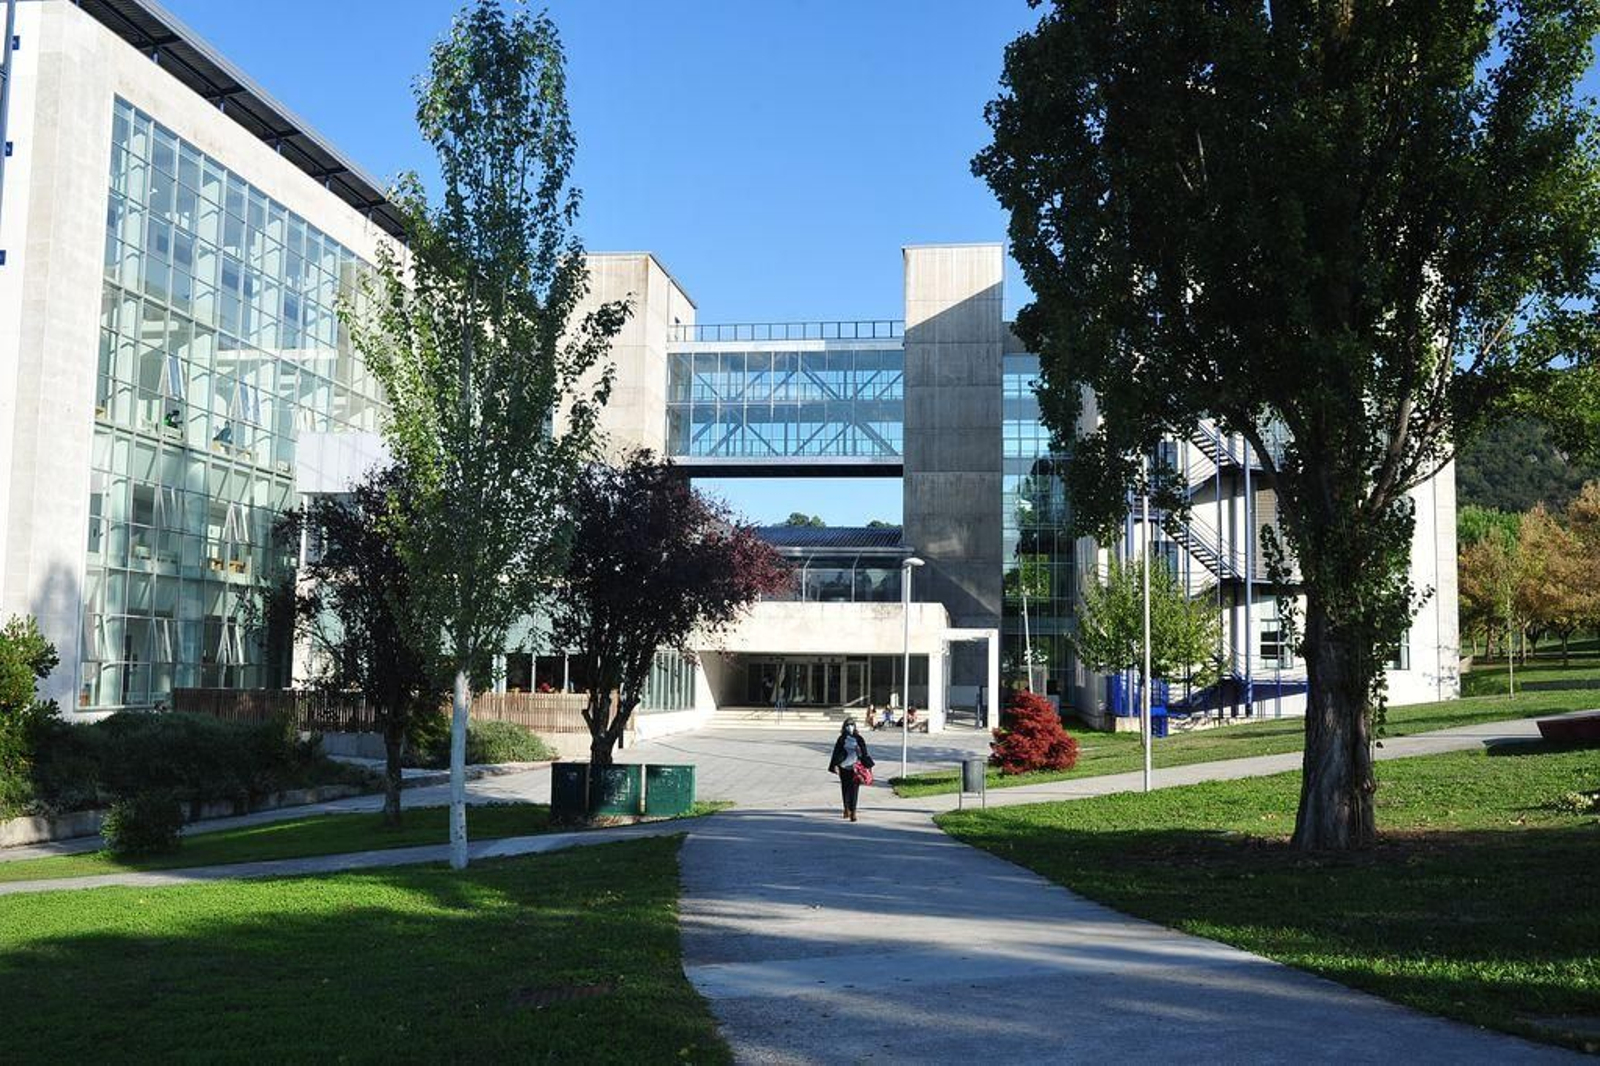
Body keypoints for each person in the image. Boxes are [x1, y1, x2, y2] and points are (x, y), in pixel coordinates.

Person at [827, 718, 875, 822]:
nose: (850, 727)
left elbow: (864, 753)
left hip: (856, 768)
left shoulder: (859, 739)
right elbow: (836, 753)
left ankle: (853, 811)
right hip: (844, 767)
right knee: (845, 788)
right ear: (844, 727)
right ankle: (846, 808)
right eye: (848, 725)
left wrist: (865, 761)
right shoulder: (841, 739)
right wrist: (835, 765)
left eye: (852, 725)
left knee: (854, 789)